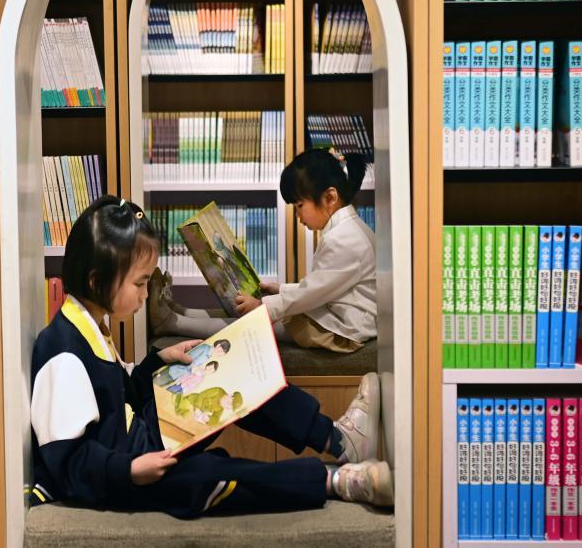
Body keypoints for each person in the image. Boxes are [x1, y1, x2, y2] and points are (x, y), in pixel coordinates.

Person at [28, 195, 392, 518]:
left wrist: (157, 361)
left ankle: (338, 440)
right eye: (140, 283)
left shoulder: (91, 326)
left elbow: (118, 401)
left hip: (140, 439)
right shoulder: (64, 352)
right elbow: (68, 462)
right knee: (203, 477)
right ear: (97, 281)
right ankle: (336, 480)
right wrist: (130, 470)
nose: (145, 294)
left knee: (230, 367)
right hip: (127, 469)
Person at [149, 148, 376, 354]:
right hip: (337, 317)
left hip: (340, 332)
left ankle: (173, 323)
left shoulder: (344, 240)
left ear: (330, 197)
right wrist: (280, 290)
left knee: (255, 321)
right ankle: (181, 312)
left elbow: (313, 292)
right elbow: (324, 286)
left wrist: (263, 306)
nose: (298, 216)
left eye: (299, 206)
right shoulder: (348, 231)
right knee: (255, 308)